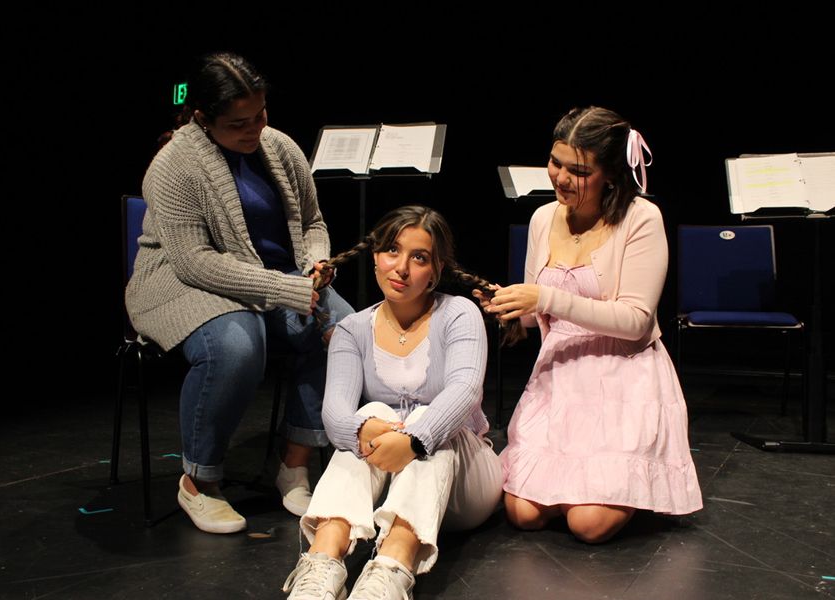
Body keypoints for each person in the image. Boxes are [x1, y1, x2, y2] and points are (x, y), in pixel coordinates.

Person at [125, 52, 353, 533]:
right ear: (203, 118)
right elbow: (195, 262)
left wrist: (315, 261)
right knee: (238, 344)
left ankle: (294, 463)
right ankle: (200, 482)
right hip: (180, 284)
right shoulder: (173, 167)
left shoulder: (280, 148)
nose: (254, 130)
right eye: (238, 123)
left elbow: (312, 223)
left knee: (345, 331)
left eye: (261, 115)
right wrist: (284, 287)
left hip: (278, 277)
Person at [477, 106, 702, 544]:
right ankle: (583, 484)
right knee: (522, 513)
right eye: (555, 162)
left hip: (623, 377)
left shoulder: (641, 219)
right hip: (562, 377)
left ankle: (623, 485)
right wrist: (507, 305)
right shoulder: (543, 218)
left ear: (611, 175)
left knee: (587, 525)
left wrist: (544, 297)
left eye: (577, 170)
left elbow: (636, 321)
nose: (559, 177)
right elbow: (535, 312)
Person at [281, 206, 504, 600]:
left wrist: (416, 439)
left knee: (427, 416)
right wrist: (361, 430)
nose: (401, 267)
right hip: (395, 484)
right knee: (369, 415)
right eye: (392, 251)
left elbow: (465, 389)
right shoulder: (352, 329)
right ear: (375, 258)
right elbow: (334, 413)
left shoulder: (459, 313)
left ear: (435, 270)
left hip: (464, 485)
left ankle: (391, 567)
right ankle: (322, 561)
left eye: (419, 258)